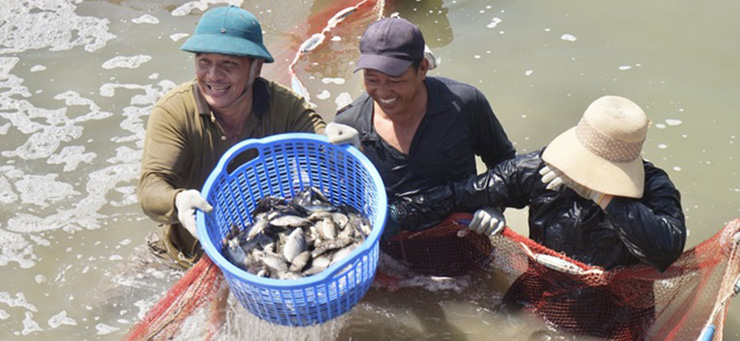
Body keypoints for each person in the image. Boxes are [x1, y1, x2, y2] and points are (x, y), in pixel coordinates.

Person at [394, 95, 687, 341]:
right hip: (543, 290)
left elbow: (665, 249)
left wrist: (606, 198)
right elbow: (463, 194)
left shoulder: (654, 187)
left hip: (614, 310)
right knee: (493, 337)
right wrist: (396, 215)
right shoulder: (541, 168)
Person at [138, 6, 325, 267]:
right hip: (181, 253)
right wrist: (178, 200)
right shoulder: (173, 112)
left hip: (259, 250)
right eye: (204, 62)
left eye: (229, 64)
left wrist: (341, 138)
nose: (213, 76)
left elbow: (323, 143)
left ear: (256, 67)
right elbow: (150, 187)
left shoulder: (284, 106)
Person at [325, 16, 516, 237]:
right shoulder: (349, 126)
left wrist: (495, 204)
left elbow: (504, 161)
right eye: (372, 79)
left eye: (395, 80)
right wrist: (336, 158)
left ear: (422, 68)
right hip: (393, 248)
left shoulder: (465, 103)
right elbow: (344, 202)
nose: (383, 92)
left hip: (465, 237)